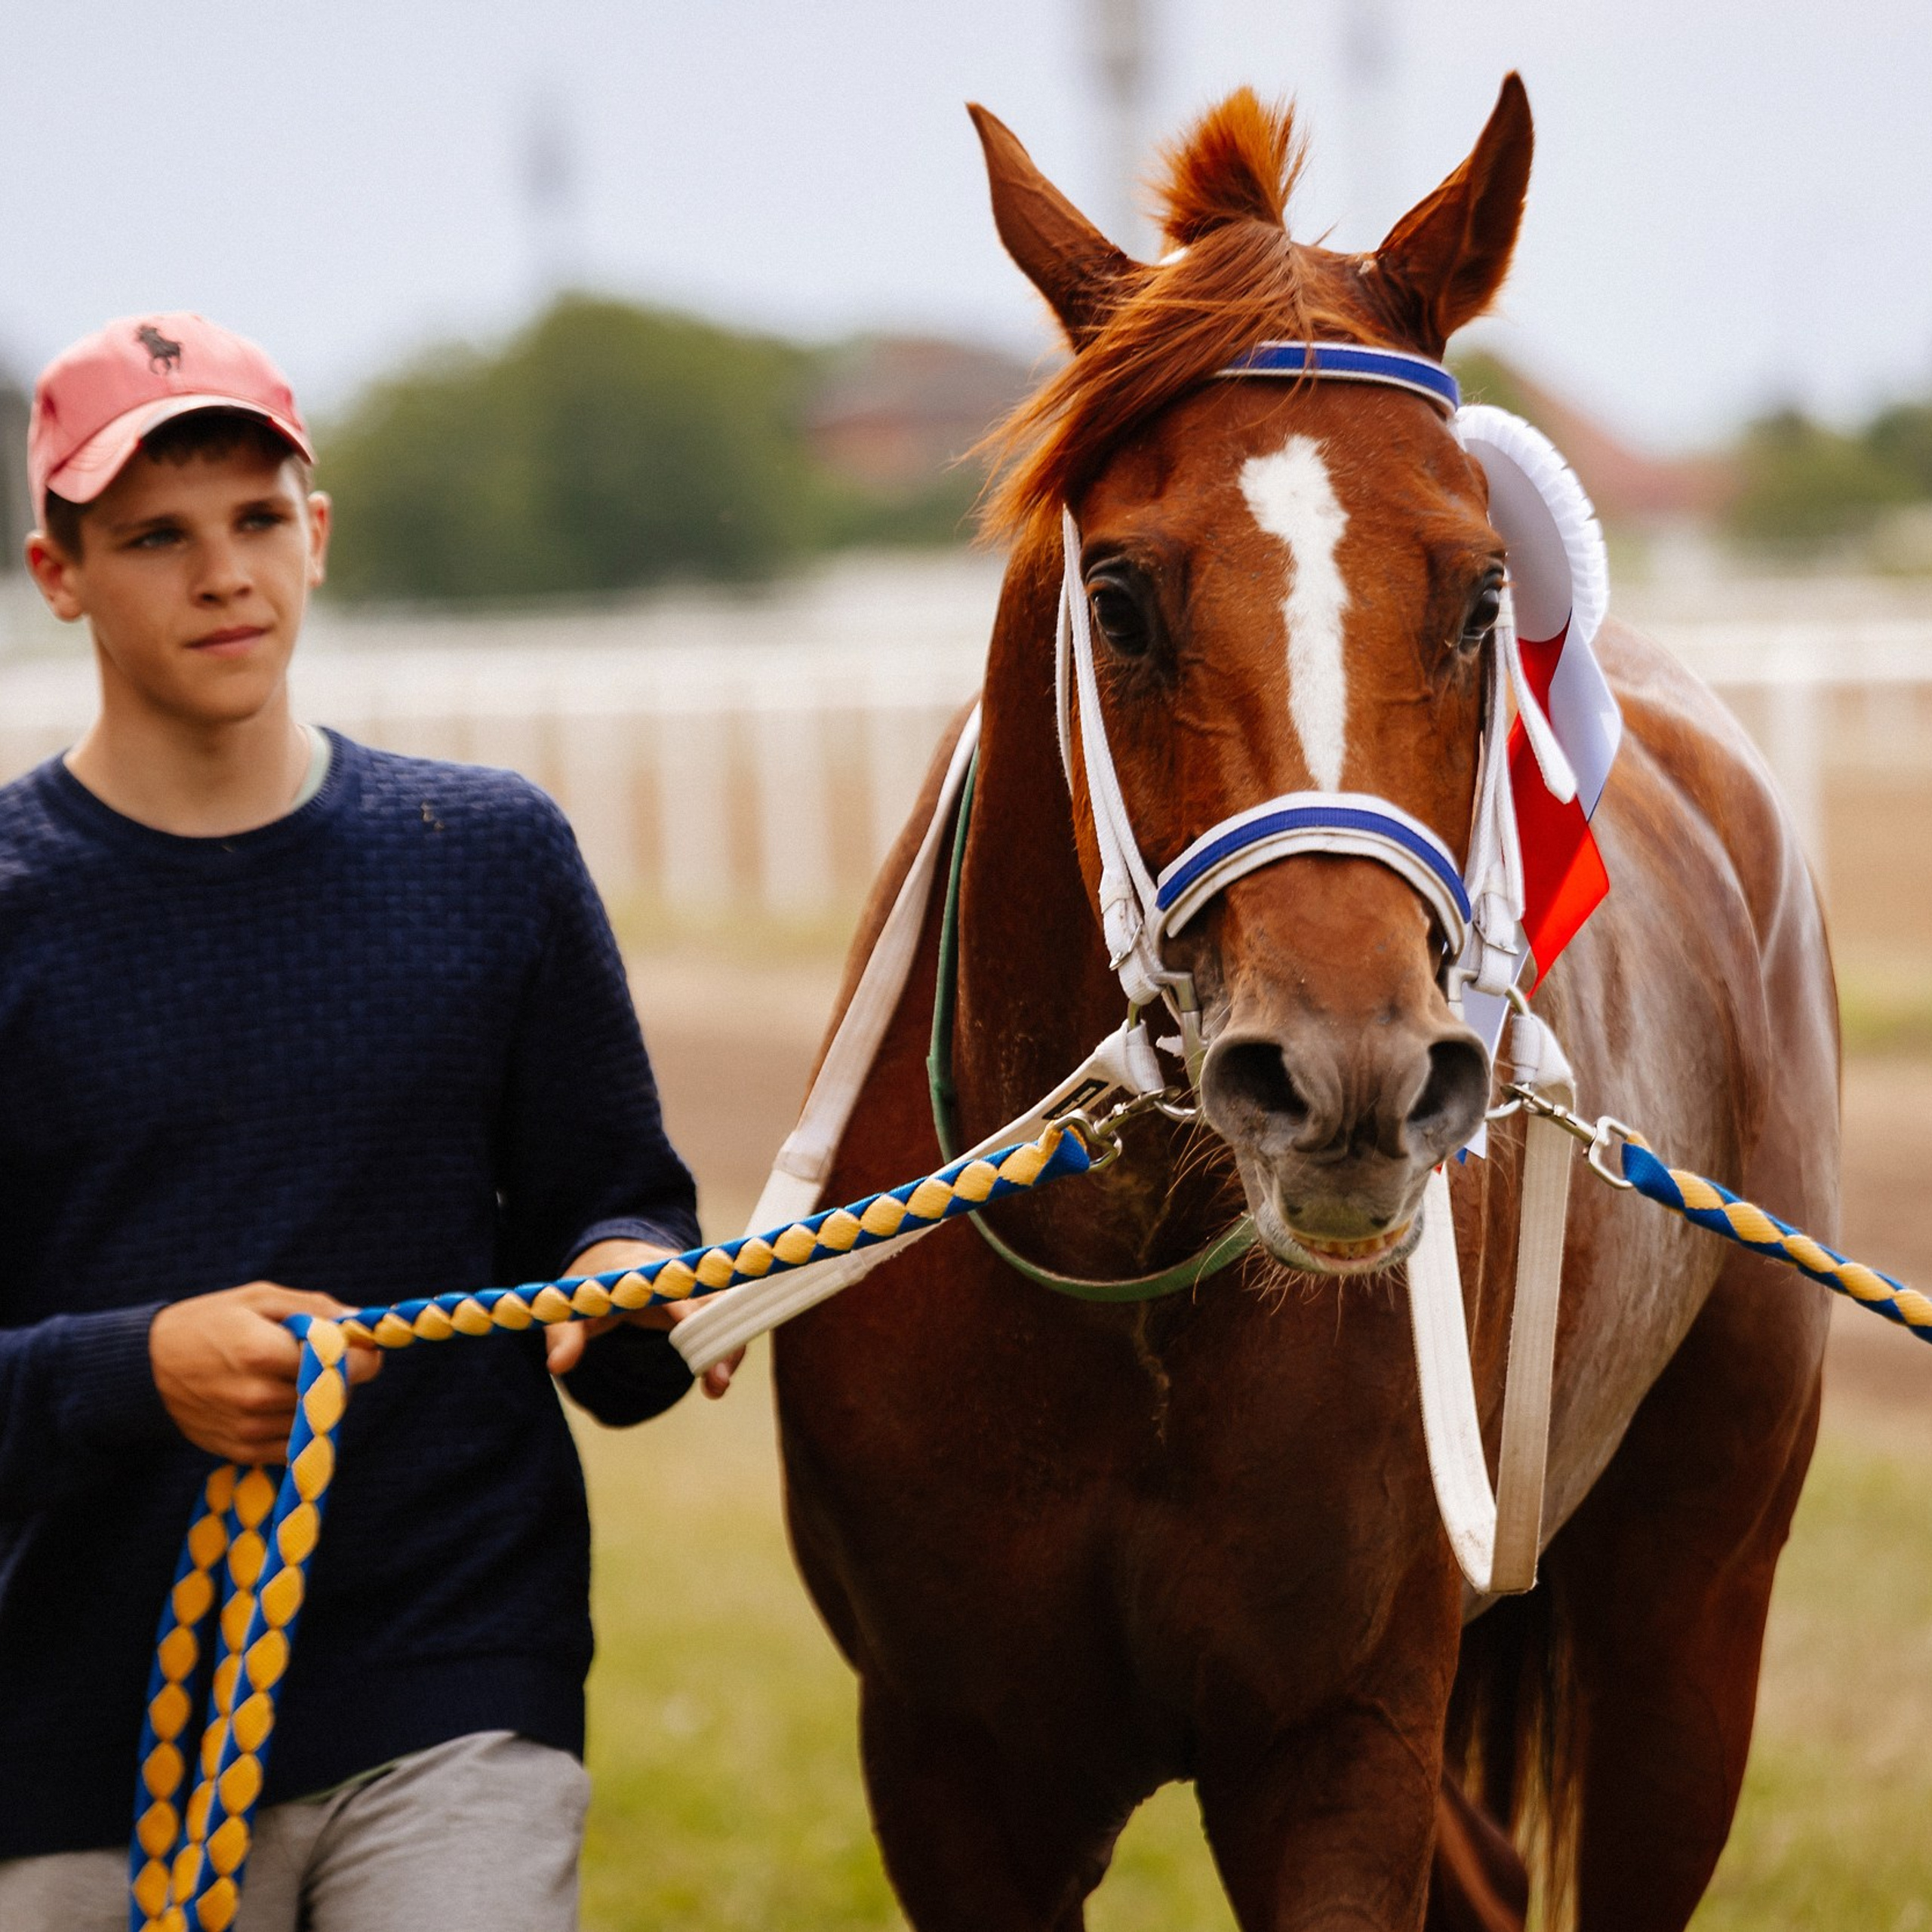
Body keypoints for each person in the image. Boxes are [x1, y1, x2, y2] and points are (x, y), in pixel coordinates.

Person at [0, 312, 734, 1930]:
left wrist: (633, 1284)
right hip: (72, 1731)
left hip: (453, 1672)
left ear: (315, 536)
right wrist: (138, 1369)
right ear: (60, 573)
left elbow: (610, 1202)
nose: (222, 573)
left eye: (258, 519)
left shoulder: (489, 856)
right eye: (155, 536)